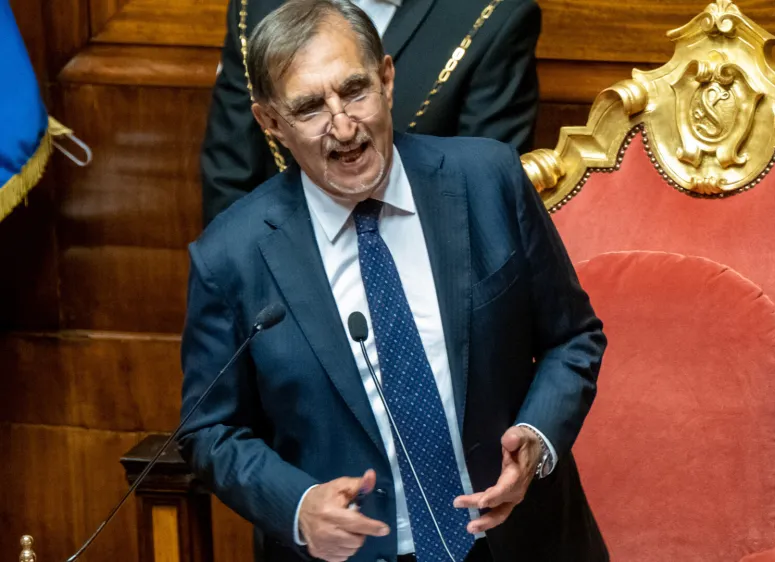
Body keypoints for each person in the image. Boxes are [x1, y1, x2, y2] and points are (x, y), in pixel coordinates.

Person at [178, 1, 608, 561]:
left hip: (523, 542)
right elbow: (208, 429)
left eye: (355, 90)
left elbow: (572, 338)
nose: (343, 125)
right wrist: (299, 505)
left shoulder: (488, 180)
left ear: (386, 78)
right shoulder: (230, 257)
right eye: (310, 107)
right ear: (270, 122)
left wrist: (538, 435)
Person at [200, 0, 541, 225]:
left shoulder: (494, 14)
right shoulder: (256, 5)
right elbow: (229, 173)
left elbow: (482, 196)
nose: (344, 129)